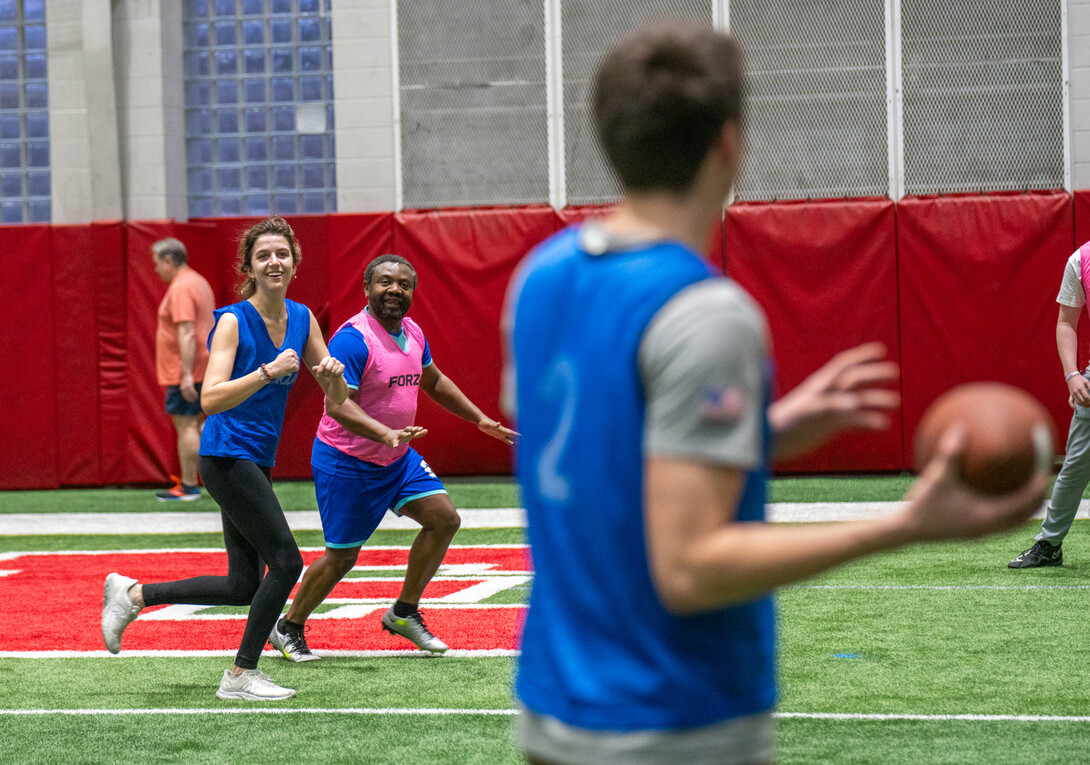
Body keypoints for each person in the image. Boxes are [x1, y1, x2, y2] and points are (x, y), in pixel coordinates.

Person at [503, 21, 1048, 765]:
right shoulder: (704, 312)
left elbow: (600, 454)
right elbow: (690, 567)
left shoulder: (540, 276)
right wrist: (905, 524)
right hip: (673, 720)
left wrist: (769, 428)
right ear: (730, 144)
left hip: (552, 708)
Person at [101, 217, 348, 701]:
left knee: (242, 586)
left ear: (295, 263)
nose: (274, 262)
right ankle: (240, 675)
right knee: (285, 562)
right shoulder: (233, 320)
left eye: (282, 254)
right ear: (250, 267)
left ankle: (132, 596)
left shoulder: (303, 319)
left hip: (256, 459)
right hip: (224, 456)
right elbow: (211, 398)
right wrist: (267, 371)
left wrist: (337, 375)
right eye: (263, 256)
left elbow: (335, 394)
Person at [267, 254, 517, 662]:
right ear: (367, 288)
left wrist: (480, 419)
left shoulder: (413, 331)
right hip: (348, 461)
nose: (394, 290)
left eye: (403, 284)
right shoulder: (353, 339)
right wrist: (385, 434)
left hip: (397, 458)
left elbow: (433, 380)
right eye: (384, 282)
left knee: (444, 520)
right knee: (343, 556)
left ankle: (403, 612)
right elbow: (337, 406)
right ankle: (288, 626)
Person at [1009, 240, 1090, 568]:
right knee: (1076, 464)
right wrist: (1072, 374)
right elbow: (1065, 322)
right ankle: (1049, 544)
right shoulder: (1081, 260)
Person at [151, 237, 216, 501]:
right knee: (199, 425)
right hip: (201, 364)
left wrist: (186, 374)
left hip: (187, 369)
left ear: (169, 260)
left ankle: (189, 486)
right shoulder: (198, 281)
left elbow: (187, 332)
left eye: (157, 264)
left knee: (187, 424)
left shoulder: (181, 287)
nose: (156, 270)